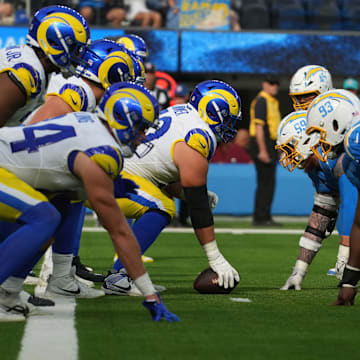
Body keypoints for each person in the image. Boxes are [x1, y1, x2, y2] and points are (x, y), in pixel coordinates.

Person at [0, 82, 179, 322]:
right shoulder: (104, 151)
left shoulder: (89, 122)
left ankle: (8, 292)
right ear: (124, 120)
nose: (144, 136)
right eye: (142, 128)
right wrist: (149, 293)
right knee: (44, 217)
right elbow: (119, 231)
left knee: (60, 205)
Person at [103, 80, 241, 295]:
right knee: (163, 207)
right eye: (229, 119)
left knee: (161, 201)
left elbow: (161, 174)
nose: (230, 126)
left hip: (114, 169)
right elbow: (198, 208)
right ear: (215, 111)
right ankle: (120, 277)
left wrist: (186, 194)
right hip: (115, 178)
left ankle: (117, 273)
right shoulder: (200, 135)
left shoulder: (180, 112)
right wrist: (215, 258)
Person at [24, 39, 141, 287]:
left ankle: (62, 276)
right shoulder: (78, 92)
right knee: (44, 218)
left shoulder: (85, 93)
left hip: (31, 161)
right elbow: (36, 131)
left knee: (72, 195)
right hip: (23, 163)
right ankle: (12, 285)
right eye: (125, 77)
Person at [276, 109, 356, 290]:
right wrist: (299, 272)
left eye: (289, 148)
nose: (286, 156)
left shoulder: (338, 158)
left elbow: (351, 207)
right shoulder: (316, 166)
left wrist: (344, 258)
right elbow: (320, 216)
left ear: (307, 141)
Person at [288, 65, 356, 277]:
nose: (301, 104)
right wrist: (299, 271)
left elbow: (351, 200)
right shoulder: (308, 128)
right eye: (297, 98)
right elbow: (323, 209)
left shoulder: (344, 119)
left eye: (307, 97)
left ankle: (347, 261)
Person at [304, 91, 360, 305]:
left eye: (322, 131)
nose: (320, 140)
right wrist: (349, 282)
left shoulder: (356, 141)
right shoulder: (347, 160)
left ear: (337, 123)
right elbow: (359, 224)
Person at [0, 5, 90, 128]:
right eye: (75, 48)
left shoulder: (33, 62)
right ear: (53, 43)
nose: (79, 56)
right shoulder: (26, 73)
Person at [248, 76, 281, 226]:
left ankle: (265, 216)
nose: (275, 86)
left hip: (269, 144)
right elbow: (259, 127)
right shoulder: (262, 101)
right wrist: (263, 150)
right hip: (263, 144)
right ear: (264, 84)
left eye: (276, 84)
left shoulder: (270, 101)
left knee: (269, 182)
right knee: (265, 182)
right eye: (272, 83)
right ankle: (261, 217)